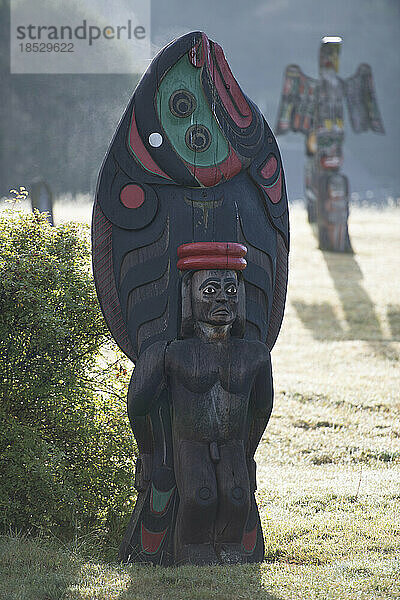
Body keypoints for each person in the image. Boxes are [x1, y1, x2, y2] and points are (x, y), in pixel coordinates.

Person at [128, 242, 273, 564]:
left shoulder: (255, 355)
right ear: (188, 297)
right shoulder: (170, 353)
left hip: (234, 443)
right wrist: (150, 452)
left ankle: (230, 546)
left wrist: (249, 455)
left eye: (230, 290)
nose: (222, 298)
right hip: (189, 444)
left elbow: (262, 409)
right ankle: (194, 547)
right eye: (209, 289)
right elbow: (138, 406)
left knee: (238, 497)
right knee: (199, 496)